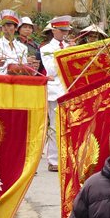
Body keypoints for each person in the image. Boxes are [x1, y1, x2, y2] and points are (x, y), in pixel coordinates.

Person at [40, 15, 72, 171]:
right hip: (55, 91)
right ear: (54, 31)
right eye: (62, 30)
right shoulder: (46, 49)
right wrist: (66, 55)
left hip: (69, 89)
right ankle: (53, 160)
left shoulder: (70, 46)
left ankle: (67, 158)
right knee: (54, 125)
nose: (64, 34)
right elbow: (52, 70)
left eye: (66, 30)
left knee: (68, 126)